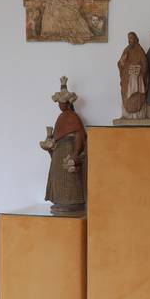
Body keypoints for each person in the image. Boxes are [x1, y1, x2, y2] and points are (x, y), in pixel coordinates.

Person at [41, 77, 87, 213]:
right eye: (59, 103)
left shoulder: (73, 117)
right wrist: (50, 146)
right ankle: (60, 200)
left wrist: (75, 154)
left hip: (68, 150)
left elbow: (79, 135)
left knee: (69, 178)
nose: (60, 105)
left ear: (67, 103)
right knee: (58, 178)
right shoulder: (60, 118)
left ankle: (72, 202)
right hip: (59, 152)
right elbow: (57, 138)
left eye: (62, 102)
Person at [116, 31, 148, 120]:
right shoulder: (126, 50)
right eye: (129, 38)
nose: (130, 40)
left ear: (136, 39)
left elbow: (145, 64)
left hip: (137, 78)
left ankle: (137, 115)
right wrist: (122, 62)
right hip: (126, 79)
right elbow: (120, 63)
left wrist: (139, 70)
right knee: (126, 95)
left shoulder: (140, 51)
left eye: (132, 38)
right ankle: (127, 115)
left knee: (136, 95)